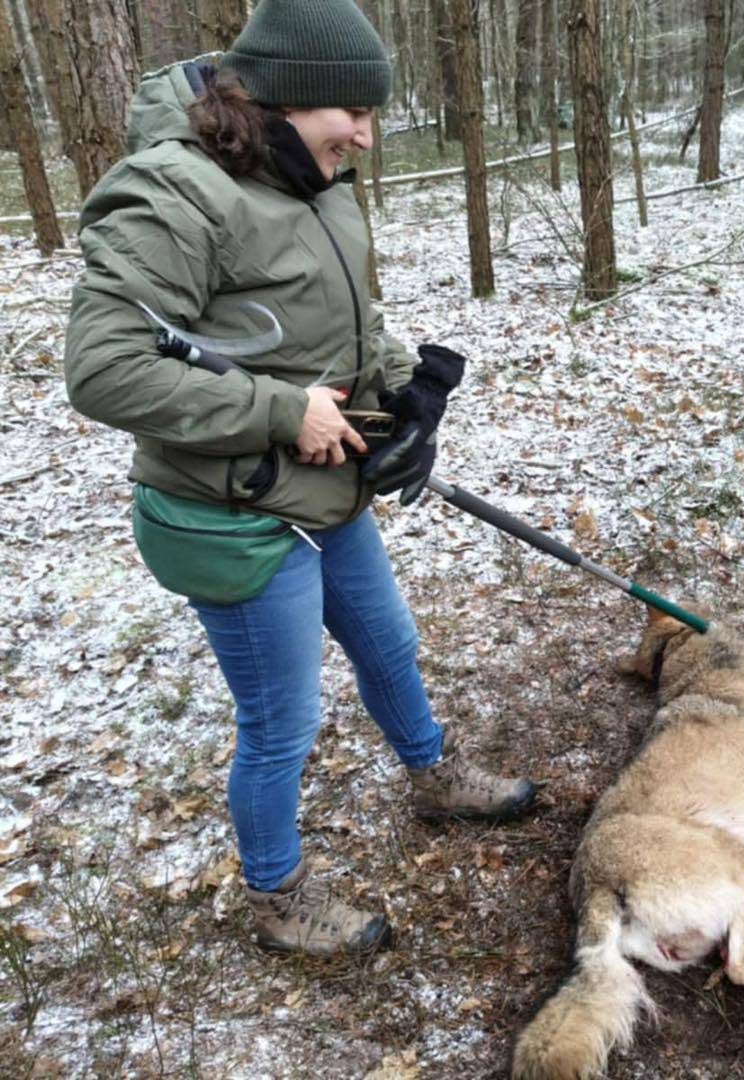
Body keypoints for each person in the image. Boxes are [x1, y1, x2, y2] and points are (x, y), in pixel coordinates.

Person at [64, 0, 536, 958]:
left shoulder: (312, 181)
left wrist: (405, 390)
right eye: (350, 112)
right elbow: (102, 370)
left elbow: (345, 317)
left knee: (390, 646)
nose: (365, 134)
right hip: (231, 510)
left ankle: (434, 775)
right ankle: (276, 897)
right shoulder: (174, 194)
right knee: (282, 721)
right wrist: (284, 411)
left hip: (321, 489)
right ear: (282, 99)